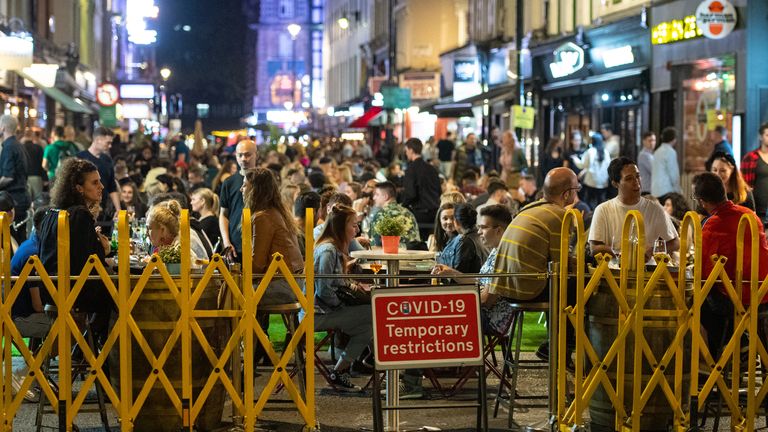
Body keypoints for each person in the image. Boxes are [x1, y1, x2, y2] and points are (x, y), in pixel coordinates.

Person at [694, 171, 768, 355]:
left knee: (698, 300)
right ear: (724, 191)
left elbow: (703, 273)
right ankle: (739, 344)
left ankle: (722, 353)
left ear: (702, 201)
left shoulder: (712, 224)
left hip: (738, 296)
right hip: (762, 290)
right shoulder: (750, 215)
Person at [38, 158, 113, 333]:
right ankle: (90, 351)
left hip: (49, 288)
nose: (101, 186)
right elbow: (89, 262)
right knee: (119, 294)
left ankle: (84, 349)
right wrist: (105, 249)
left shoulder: (52, 212)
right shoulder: (79, 214)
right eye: (95, 182)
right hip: (72, 289)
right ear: (78, 188)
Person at [491, 167, 578, 301]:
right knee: (578, 285)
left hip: (504, 286)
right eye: (576, 190)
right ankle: (564, 323)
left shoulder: (529, 208)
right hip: (526, 289)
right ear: (566, 194)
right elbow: (561, 265)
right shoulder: (561, 216)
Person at [313, 204, 373, 391]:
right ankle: (380, 361)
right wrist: (342, 304)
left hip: (324, 310)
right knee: (374, 314)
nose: (357, 230)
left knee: (368, 324)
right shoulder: (328, 250)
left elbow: (333, 283)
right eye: (353, 225)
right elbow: (324, 290)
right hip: (318, 313)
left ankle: (340, 371)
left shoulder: (333, 248)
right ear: (340, 227)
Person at [433, 204, 514, 333]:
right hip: (480, 313)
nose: (479, 232)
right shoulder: (495, 250)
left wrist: (455, 301)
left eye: (483, 227)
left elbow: (487, 300)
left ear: (499, 230)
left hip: (490, 320)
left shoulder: (505, 256)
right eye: (479, 227)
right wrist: (451, 272)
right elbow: (479, 281)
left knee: (437, 313)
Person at [590, 157, 679, 262]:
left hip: (649, 272)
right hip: (614, 271)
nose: (636, 182)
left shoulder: (654, 209)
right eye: (629, 179)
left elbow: (675, 243)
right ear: (615, 183)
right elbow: (594, 248)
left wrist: (651, 251)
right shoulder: (603, 210)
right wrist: (622, 254)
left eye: (637, 176)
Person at [242, 168, 304, 304]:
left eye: (245, 185)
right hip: (295, 282)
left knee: (233, 293)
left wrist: (239, 274)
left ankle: (246, 326)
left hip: (282, 284)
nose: (241, 189)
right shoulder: (277, 212)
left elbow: (257, 264)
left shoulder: (262, 217)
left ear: (255, 190)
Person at [219, 139, 258, 263]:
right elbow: (223, 215)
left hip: (259, 244)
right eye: (240, 155)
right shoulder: (229, 182)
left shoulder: (264, 181)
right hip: (235, 247)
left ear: (256, 155)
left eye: (247, 154)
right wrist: (226, 242)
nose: (243, 159)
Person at [76, 127, 121, 224]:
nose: (110, 146)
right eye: (108, 143)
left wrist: (118, 210)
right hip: (85, 210)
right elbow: (76, 187)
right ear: (98, 140)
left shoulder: (107, 159)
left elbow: (112, 186)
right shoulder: (80, 158)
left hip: (104, 210)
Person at [402, 138, 441, 238]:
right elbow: (439, 190)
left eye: (406, 150)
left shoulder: (411, 169)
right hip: (434, 213)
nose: (406, 153)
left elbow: (411, 194)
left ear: (410, 150)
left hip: (419, 215)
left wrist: (402, 206)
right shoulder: (432, 168)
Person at [0, 115, 30, 244]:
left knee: (11, 240)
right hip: (22, 198)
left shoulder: (9, 147)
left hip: (13, 200)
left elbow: (8, 177)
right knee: (19, 238)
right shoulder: (19, 145)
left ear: (3, 128)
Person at [436, 203, 488, 275]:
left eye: (452, 218)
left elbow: (458, 276)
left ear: (456, 222)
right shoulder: (481, 236)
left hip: (472, 284)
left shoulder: (465, 242)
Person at [365, 181, 421, 247]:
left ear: (385, 196)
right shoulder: (408, 213)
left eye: (377, 194)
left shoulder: (381, 214)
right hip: (413, 255)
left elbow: (375, 243)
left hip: (390, 255)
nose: (374, 198)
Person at [741, 123, 768, 222]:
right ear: (761, 137)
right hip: (758, 209)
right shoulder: (751, 157)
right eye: (767, 135)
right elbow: (743, 185)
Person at [579, 133, 611, 211]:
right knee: (601, 202)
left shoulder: (590, 151)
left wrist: (575, 159)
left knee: (588, 201)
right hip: (603, 182)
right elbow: (609, 165)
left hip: (591, 181)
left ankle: (590, 217)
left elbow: (582, 165)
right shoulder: (605, 152)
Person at [651, 127, 681, 197]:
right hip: (666, 190)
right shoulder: (670, 152)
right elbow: (674, 175)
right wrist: (678, 191)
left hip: (655, 191)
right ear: (674, 139)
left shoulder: (657, 152)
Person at [21, 128, 46, 204]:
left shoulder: (20, 148)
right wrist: (44, 178)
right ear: (32, 136)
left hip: (24, 179)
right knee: (38, 202)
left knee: (26, 202)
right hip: (37, 178)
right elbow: (42, 165)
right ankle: (37, 215)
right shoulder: (38, 148)